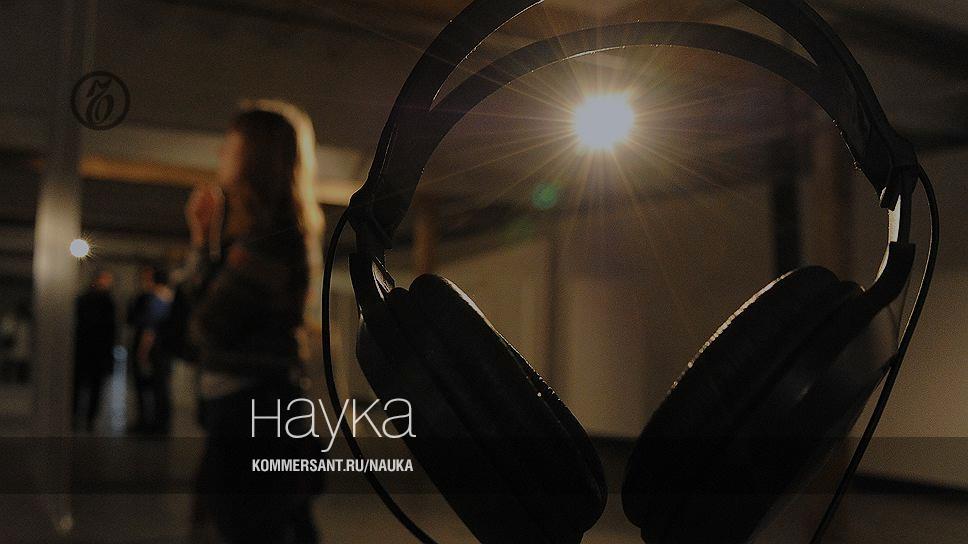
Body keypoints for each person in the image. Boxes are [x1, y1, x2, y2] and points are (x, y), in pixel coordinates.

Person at [178, 100, 324, 543]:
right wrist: (204, 239)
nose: (221, 153)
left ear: (256, 156)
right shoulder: (264, 236)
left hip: (252, 414)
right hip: (253, 408)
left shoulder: (268, 243)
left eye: (232, 144)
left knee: (249, 527)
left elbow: (204, 328)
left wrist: (201, 249)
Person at [128, 266, 175, 434]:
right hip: (165, 349)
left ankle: (151, 424)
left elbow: (150, 329)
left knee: (150, 387)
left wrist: (142, 352)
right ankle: (160, 424)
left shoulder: (155, 299)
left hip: (154, 350)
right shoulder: (170, 297)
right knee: (161, 388)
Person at [73, 270, 117, 432]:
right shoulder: (99, 301)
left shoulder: (92, 300)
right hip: (90, 350)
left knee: (89, 386)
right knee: (84, 386)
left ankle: (85, 418)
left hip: (92, 350)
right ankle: (82, 417)